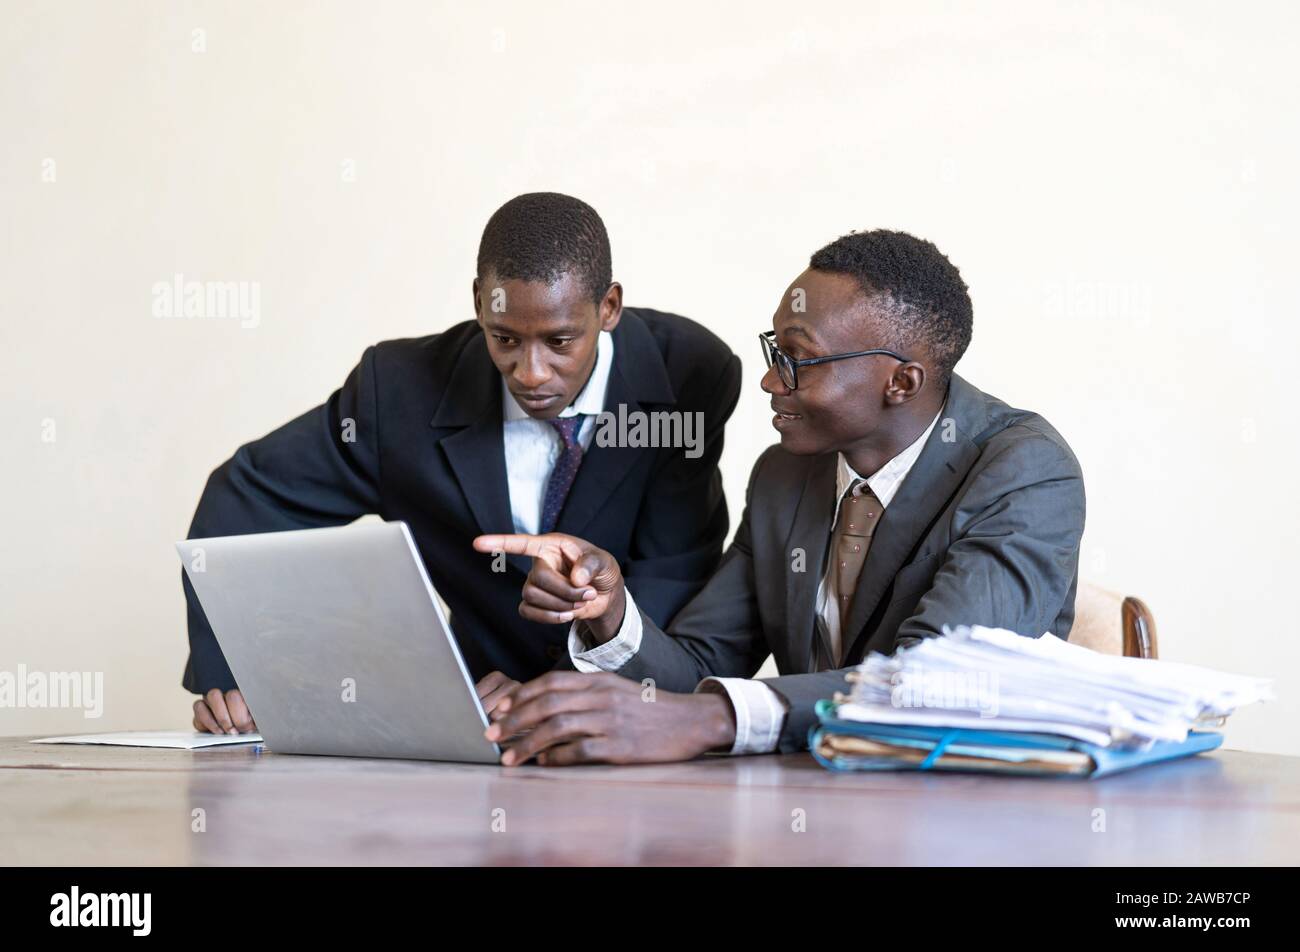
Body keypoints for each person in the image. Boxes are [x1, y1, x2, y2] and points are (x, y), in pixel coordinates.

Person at [474, 229, 1085, 766]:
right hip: (811, 811)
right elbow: (696, 667)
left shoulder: (1024, 471)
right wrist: (609, 612)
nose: (769, 380)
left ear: (901, 382)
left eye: (799, 360)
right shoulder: (784, 478)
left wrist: (714, 719)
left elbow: (937, 685)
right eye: (775, 351)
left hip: (967, 825)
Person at [183, 192, 741, 734]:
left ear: (610, 307)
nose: (531, 372)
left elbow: (673, 571)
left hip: (624, 722)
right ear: (480, 303)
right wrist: (236, 676)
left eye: (560, 341)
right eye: (505, 339)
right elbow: (247, 496)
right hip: (472, 728)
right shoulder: (399, 392)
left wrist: (560, 691)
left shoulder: (688, 375)